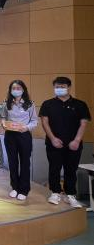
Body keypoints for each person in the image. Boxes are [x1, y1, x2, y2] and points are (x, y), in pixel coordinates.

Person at [40, 76, 90, 208]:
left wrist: (77, 140)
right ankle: (55, 192)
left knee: (71, 169)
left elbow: (83, 123)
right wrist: (53, 138)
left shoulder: (80, 104)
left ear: (69, 87)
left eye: (62, 87)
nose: (59, 89)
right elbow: (44, 122)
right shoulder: (47, 104)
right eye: (57, 87)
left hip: (74, 144)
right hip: (53, 143)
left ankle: (70, 195)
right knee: (54, 168)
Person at [2, 80, 38, 201]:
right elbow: (3, 117)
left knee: (25, 162)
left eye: (18, 88)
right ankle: (15, 187)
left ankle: (24, 189)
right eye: (13, 88)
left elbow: (34, 121)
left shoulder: (29, 104)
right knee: (12, 162)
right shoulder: (6, 103)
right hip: (10, 135)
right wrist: (3, 124)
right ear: (10, 90)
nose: (16, 90)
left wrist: (26, 127)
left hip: (24, 135)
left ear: (23, 90)